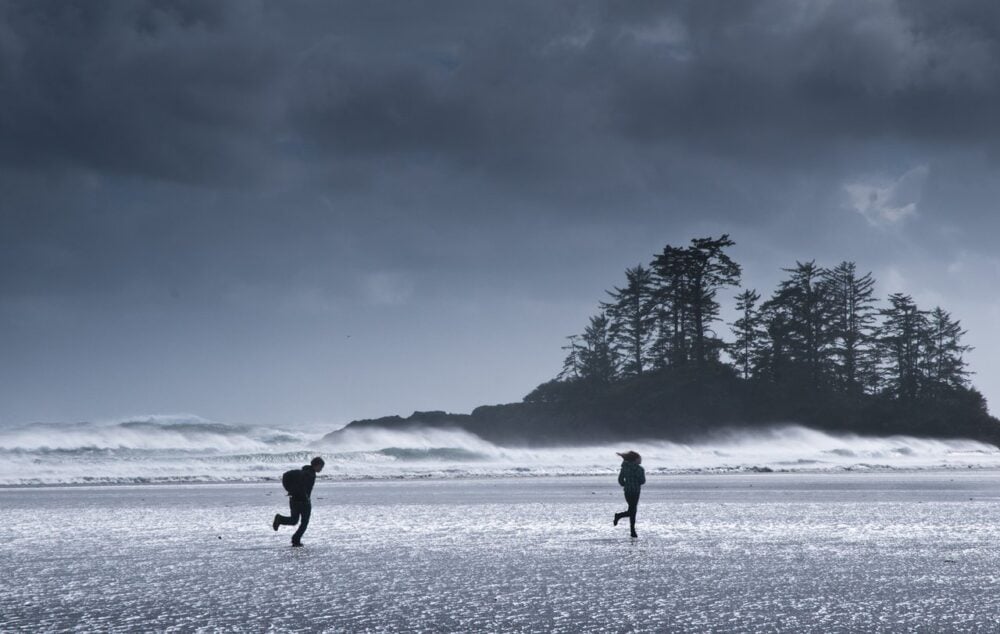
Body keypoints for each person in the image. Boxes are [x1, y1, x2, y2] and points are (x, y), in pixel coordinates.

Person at [273, 456, 325, 547]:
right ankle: (296, 540)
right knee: (304, 523)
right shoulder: (310, 474)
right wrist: (304, 496)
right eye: (321, 467)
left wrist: (290, 490)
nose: (321, 469)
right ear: (317, 465)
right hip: (303, 501)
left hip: (294, 499)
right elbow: (302, 486)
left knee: (294, 520)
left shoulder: (303, 471)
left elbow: (286, 475)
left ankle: (280, 519)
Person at [613, 450, 645, 538]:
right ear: (635, 459)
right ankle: (619, 516)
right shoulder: (640, 469)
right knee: (632, 510)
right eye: (639, 458)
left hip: (627, 491)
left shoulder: (624, 468)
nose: (641, 460)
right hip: (636, 491)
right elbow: (642, 481)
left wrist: (625, 484)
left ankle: (632, 531)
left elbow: (620, 480)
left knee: (632, 510)